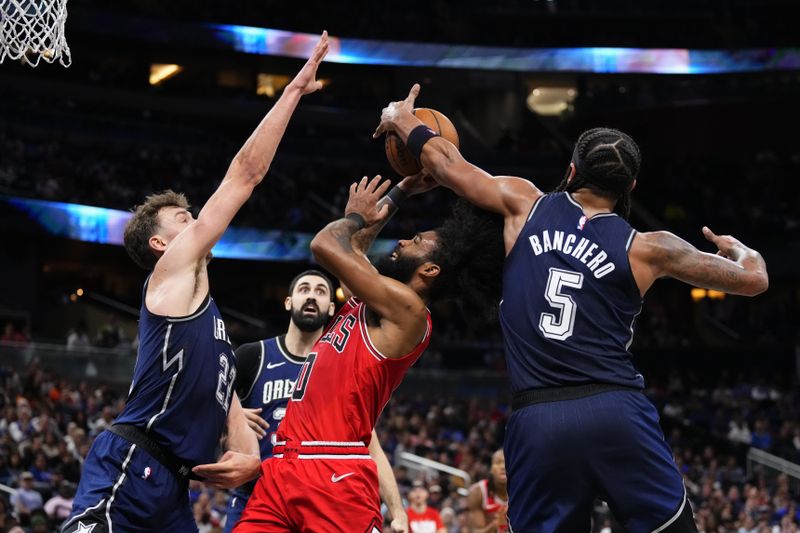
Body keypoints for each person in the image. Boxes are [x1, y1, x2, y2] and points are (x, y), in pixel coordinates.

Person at [374, 85, 769, 533]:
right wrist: (740, 250)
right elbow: (755, 280)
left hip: (539, 416)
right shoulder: (648, 248)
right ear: (631, 187)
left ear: (572, 169)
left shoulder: (525, 202)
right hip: (616, 409)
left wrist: (402, 118)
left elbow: (445, 164)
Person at [62, 32, 331, 533]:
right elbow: (244, 177)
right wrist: (291, 91)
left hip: (174, 492)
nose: (197, 221)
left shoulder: (217, 334)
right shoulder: (167, 278)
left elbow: (235, 422)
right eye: (184, 219)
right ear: (161, 246)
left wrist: (248, 458)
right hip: (131, 464)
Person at [234, 174, 505, 532]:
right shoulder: (374, 301)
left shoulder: (409, 312)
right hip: (282, 465)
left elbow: (325, 245)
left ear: (430, 269)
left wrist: (355, 217)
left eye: (417, 241)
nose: (406, 240)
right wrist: (401, 192)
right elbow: (356, 253)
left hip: (334, 467)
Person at [224, 270, 409, 532]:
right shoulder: (255, 354)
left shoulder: (340, 368)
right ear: (288, 302)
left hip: (318, 496)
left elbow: (370, 445)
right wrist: (232, 416)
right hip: (256, 494)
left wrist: (397, 509)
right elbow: (209, 404)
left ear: (332, 307)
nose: (312, 296)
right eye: (304, 289)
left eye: (321, 291)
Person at [466, 449, 508, 533]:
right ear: (491, 469)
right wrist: (495, 525)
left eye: (506, 462)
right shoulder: (478, 491)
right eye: (498, 463)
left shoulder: (525, 491)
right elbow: (475, 531)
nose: (502, 467)